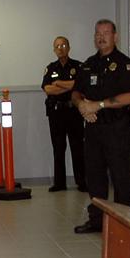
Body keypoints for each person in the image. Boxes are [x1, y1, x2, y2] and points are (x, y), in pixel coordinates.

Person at [71, 20, 130, 234]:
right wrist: (81, 105)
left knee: (120, 177)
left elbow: (129, 96)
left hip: (117, 128)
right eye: (98, 33)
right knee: (94, 176)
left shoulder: (125, 65)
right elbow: (76, 92)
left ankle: (125, 223)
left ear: (115, 36)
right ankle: (97, 220)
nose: (101, 37)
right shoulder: (87, 64)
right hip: (93, 128)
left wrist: (97, 105)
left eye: (106, 33)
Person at [41, 36, 85, 193]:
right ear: (54, 50)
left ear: (69, 47)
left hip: (74, 111)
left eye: (63, 45)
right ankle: (59, 183)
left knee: (77, 147)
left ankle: (82, 182)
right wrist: (69, 86)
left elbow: (80, 85)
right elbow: (47, 89)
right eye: (57, 46)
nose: (60, 48)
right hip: (56, 113)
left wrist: (58, 83)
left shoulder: (78, 66)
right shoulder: (51, 68)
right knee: (58, 148)